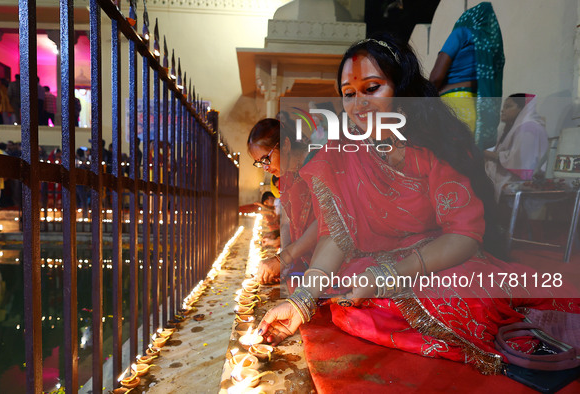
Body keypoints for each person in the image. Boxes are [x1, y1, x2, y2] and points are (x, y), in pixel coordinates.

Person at [258, 35, 579, 375]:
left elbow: (464, 235)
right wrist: (302, 300)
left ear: (402, 88)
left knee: (457, 298)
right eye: (349, 94)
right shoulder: (344, 151)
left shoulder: (434, 143)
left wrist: (389, 276)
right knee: (348, 294)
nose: (358, 104)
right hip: (381, 260)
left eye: (372, 88)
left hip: (441, 260)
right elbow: (337, 232)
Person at [248, 118, 318, 285]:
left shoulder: (317, 164)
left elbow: (326, 224)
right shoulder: (285, 178)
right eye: (259, 163)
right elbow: (287, 222)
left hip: (333, 262)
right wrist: (286, 262)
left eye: (266, 159)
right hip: (307, 260)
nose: (265, 168)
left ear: (285, 144)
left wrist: (283, 259)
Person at [429, 2, 504, 150]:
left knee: (445, 163)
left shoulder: (462, 33)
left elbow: (436, 77)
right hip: (476, 110)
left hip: (452, 105)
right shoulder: (488, 47)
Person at [484, 94, 548, 201]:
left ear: (522, 109)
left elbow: (518, 160)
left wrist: (486, 154)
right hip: (507, 175)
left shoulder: (530, 128)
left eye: (508, 106)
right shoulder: (514, 127)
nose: (502, 111)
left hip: (518, 179)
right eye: (503, 107)